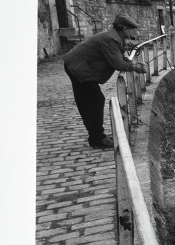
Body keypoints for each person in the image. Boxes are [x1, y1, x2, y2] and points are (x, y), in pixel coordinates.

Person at [63, 14, 147, 149]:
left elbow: (117, 57)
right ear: (125, 29)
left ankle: (96, 135)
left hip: (79, 66)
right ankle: (97, 138)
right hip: (78, 68)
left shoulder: (113, 37)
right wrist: (135, 67)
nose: (134, 32)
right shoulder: (111, 39)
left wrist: (130, 62)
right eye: (132, 29)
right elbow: (118, 64)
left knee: (93, 101)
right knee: (93, 101)